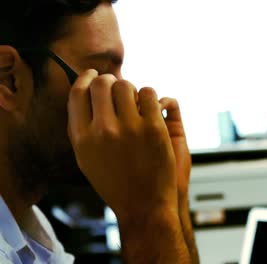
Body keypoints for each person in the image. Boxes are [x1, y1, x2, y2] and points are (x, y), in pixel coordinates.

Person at [0, 0, 199, 263]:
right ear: (9, 80)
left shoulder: (26, 229)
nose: (127, 101)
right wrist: (146, 212)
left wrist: (170, 199)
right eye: (100, 75)